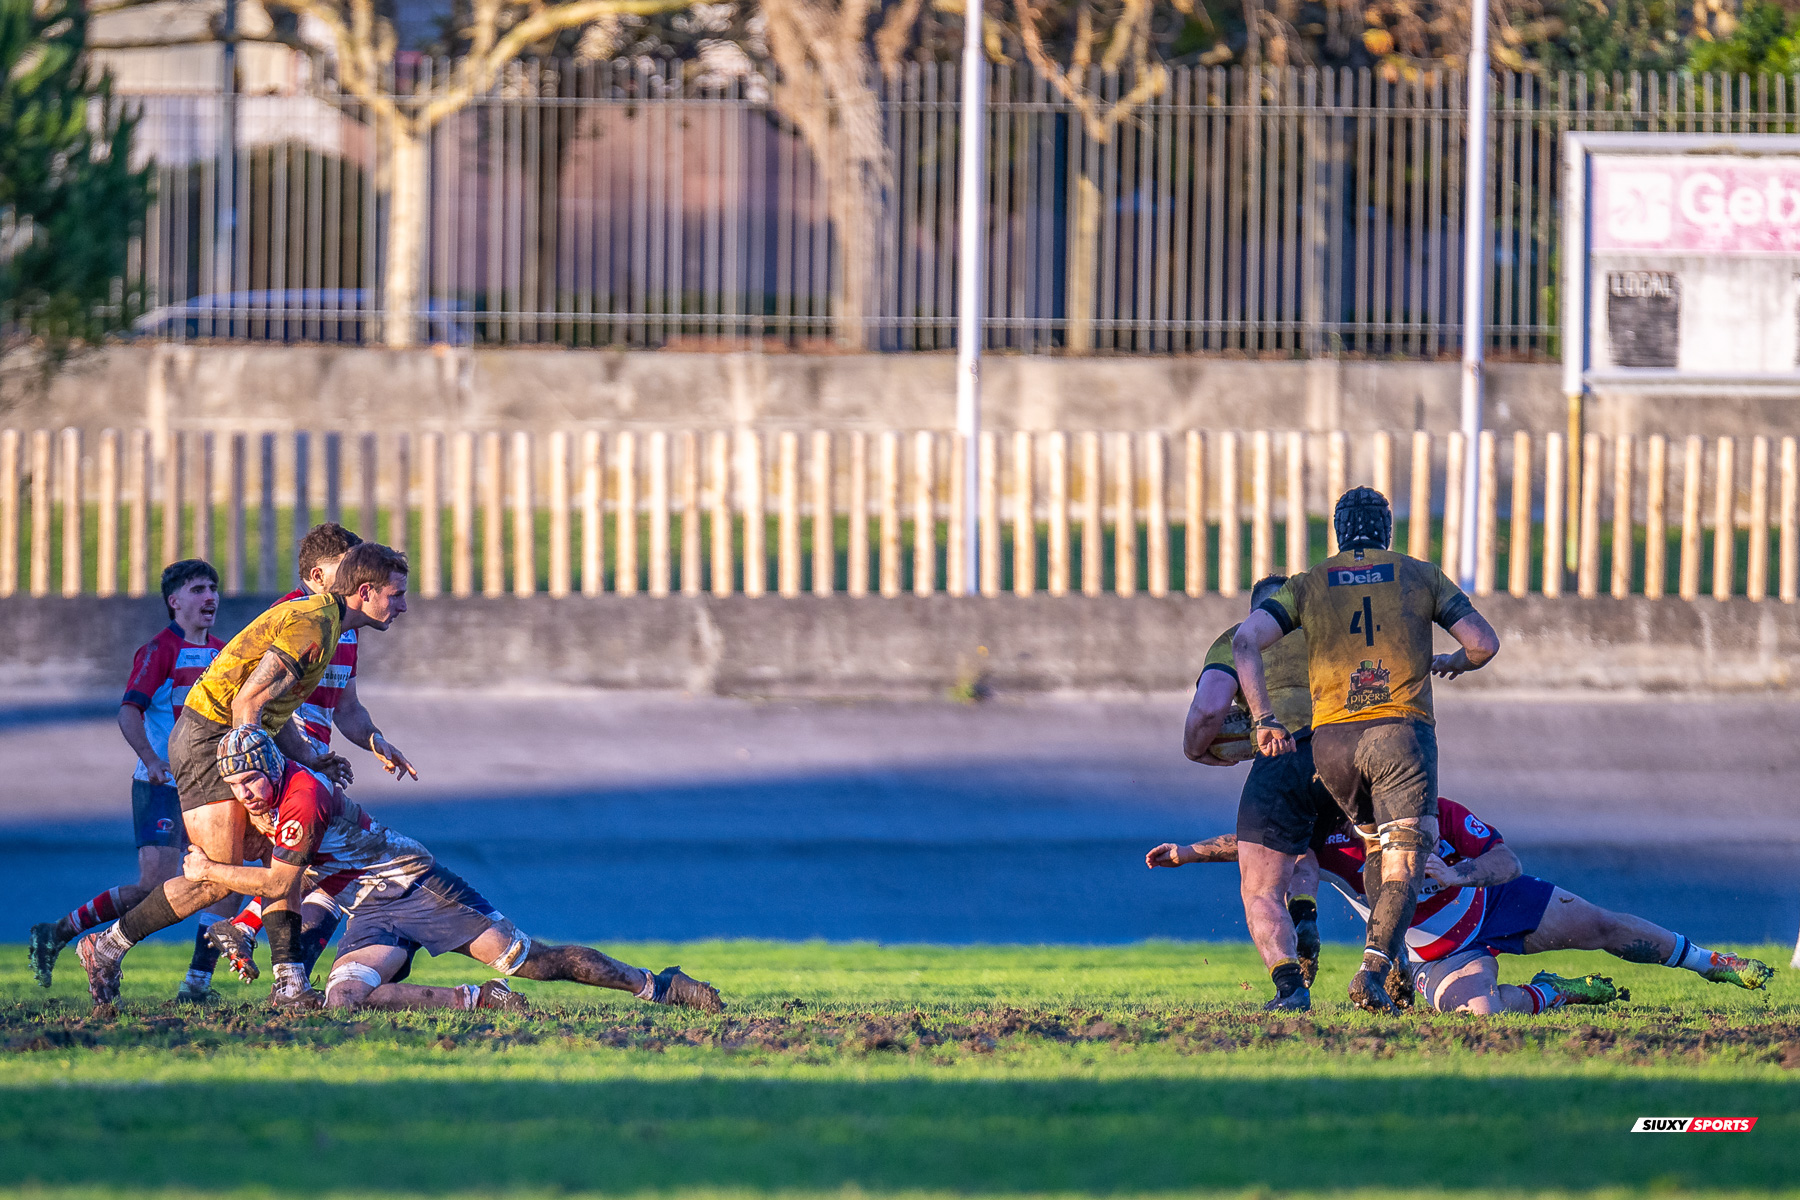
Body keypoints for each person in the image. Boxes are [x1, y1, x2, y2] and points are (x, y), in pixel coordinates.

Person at [182, 725, 725, 1015]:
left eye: (250, 779)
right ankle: (478, 999)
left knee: (535, 961)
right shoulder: (271, 800)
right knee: (345, 997)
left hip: (418, 887)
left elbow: (281, 884)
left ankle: (657, 985)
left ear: (272, 767)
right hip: (369, 907)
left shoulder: (301, 798)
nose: (244, 792)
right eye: (235, 785)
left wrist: (209, 869)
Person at [75, 542, 410, 1011]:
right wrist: (250, 772)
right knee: (215, 880)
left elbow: (275, 707)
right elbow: (247, 702)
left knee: (289, 858)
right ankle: (105, 947)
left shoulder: (330, 626)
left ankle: (290, 984)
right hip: (208, 738)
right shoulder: (313, 624)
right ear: (366, 591)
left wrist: (309, 758)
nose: (403, 606)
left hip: (230, 736)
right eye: (397, 594)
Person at [1233, 486, 1500, 1013]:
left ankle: (1383, 965)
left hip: (1331, 743)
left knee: (1376, 843)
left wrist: (1264, 719)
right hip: (1400, 733)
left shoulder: (1309, 582)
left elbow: (1246, 641)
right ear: (1387, 530)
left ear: (1338, 531)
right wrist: (1455, 662)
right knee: (1405, 853)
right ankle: (1375, 970)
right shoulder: (1420, 573)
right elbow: (1482, 643)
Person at [1147, 797, 1774, 1014]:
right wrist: (1187, 853)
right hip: (1437, 952)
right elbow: (1255, 845)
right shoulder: (1328, 837)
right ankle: (1555, 992)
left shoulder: (1433, 811)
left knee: (1604, 924)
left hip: (1498, 905)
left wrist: (1458, 872)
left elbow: (1508, 861)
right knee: (1482, 1016)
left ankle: (1711, 961)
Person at [206, 522, 419, 981]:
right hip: (284, 759)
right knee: (316, 865)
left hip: (314, 760)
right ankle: (254, 946)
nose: (358, 579)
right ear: (319, 575)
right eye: (348, 567)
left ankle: (255, 956)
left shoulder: (348, 630)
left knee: (319, 870)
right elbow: (252, 698)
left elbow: (348, 708)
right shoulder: (295, 616)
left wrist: (376, 740)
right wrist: (256, 764)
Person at [27, 560, 238, 1000]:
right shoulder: (159, 650)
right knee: (153, 888)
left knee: (226, 881)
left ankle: (196, 984)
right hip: (161, 786)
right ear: (174, 601)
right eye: (199, 589)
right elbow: (128, 712)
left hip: (208, 788)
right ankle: (60, 933)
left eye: (214, 588)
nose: (211, 597)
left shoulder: (224, 652)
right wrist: (151, 759)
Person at [1184, 574, 1334, 1011]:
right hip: (1350, 754)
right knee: (1306, 847)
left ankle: (1290, 986)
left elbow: (1209, 709)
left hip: (1286, 754)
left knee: (1261, 888)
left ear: (1257, 613)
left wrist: (1196, 750)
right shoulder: (1331, 633)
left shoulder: (1239, 637)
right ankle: (1312, 917)